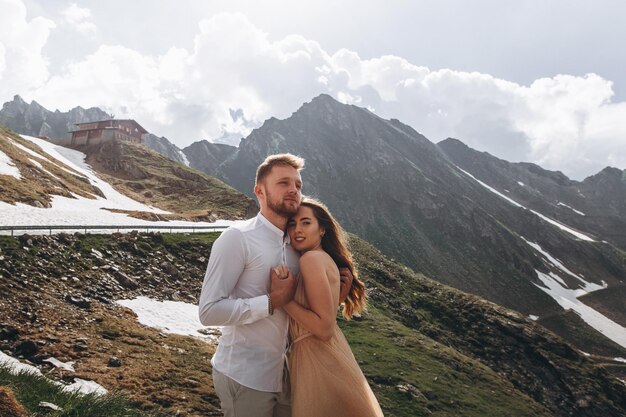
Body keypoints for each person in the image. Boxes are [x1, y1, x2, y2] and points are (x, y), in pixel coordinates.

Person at [198, 153, 304, 417]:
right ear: (259, 191)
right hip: (244, 376)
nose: (293, 190)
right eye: (283, 183)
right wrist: (270, 302)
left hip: (288, 377)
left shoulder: (297, 245)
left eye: (298, 185)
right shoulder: (237, 238)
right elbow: (208, 311)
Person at [278, 197, 384, 417]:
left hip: (318, 359)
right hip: (325, 354)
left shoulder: (311, 260)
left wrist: (284, 298)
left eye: (306, 222)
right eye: (292, 224)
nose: (297, 229)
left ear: (322, 229)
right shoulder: (322, 258)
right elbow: (323, 315)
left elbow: (324, 329)